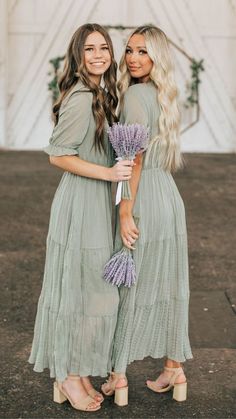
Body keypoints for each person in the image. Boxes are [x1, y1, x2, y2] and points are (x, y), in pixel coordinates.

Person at [28, 23, 133, 412]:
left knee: (92, 288)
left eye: (104, 47)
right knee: (80, 289)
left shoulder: (102, 94)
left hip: (95, 202)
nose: (98, 55)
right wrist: (109, 173)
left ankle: (80, 368)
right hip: (79, 202)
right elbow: (58, 155)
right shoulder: (79, 97)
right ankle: (69, 374)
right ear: (78, 55)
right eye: (89, 49)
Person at [101, 25, 193, 405]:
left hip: (142, 197)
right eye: (129, 50)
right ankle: (175, 369)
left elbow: (132, 159)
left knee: (130, 286)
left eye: (143, 52)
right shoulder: (163, 94)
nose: (134, 59)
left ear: (157, 57)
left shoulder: (137, 94)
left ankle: (117, 377)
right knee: (169, 286)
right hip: (168, 196)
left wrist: (125, 211)